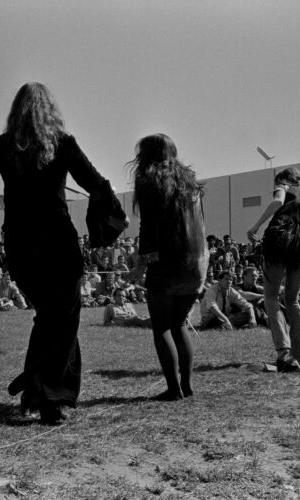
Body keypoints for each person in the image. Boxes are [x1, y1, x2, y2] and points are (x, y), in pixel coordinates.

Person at [0, 82, 125, 424]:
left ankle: (41, 384)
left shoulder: (0, 146)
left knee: (51, 318)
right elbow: (95, 183)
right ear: (50, 109)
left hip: (22, 246)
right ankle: (46, 391)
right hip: (57, 242)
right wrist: (110, 218)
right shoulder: (62, 143)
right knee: (63, 319)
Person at [125, 133, 208, 400]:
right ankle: (188, 385)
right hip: (195, 263)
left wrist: (140, 265)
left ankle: (173, 389)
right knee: (180, 323)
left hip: (166, 264)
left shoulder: (149, 180)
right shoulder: (190, 182)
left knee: (161, 326)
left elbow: (148, 227)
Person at [247, 167, 300, 372]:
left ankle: (284, 353)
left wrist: (255, 227)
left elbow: (277, 202)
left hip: (278, 242)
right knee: (293, 301)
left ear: (284, 179)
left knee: (271, 297)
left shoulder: (283, 188)